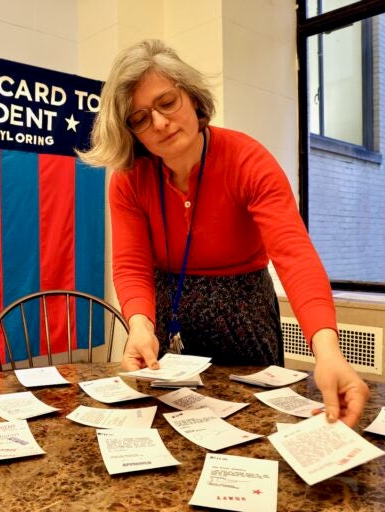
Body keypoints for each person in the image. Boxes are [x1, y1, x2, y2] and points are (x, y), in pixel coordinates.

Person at [78, 39, 369, 428]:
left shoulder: (248, 160)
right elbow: (131, 264)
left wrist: (328, 352)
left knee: (253, 427)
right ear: (132, 133)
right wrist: (141, 326)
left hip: (243, 308)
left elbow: (294, 255)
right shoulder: (128, 180)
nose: (160, 122)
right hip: (167, 311)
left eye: (167, 102)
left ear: (193, 98)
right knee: (169, 429)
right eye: (141, 118)